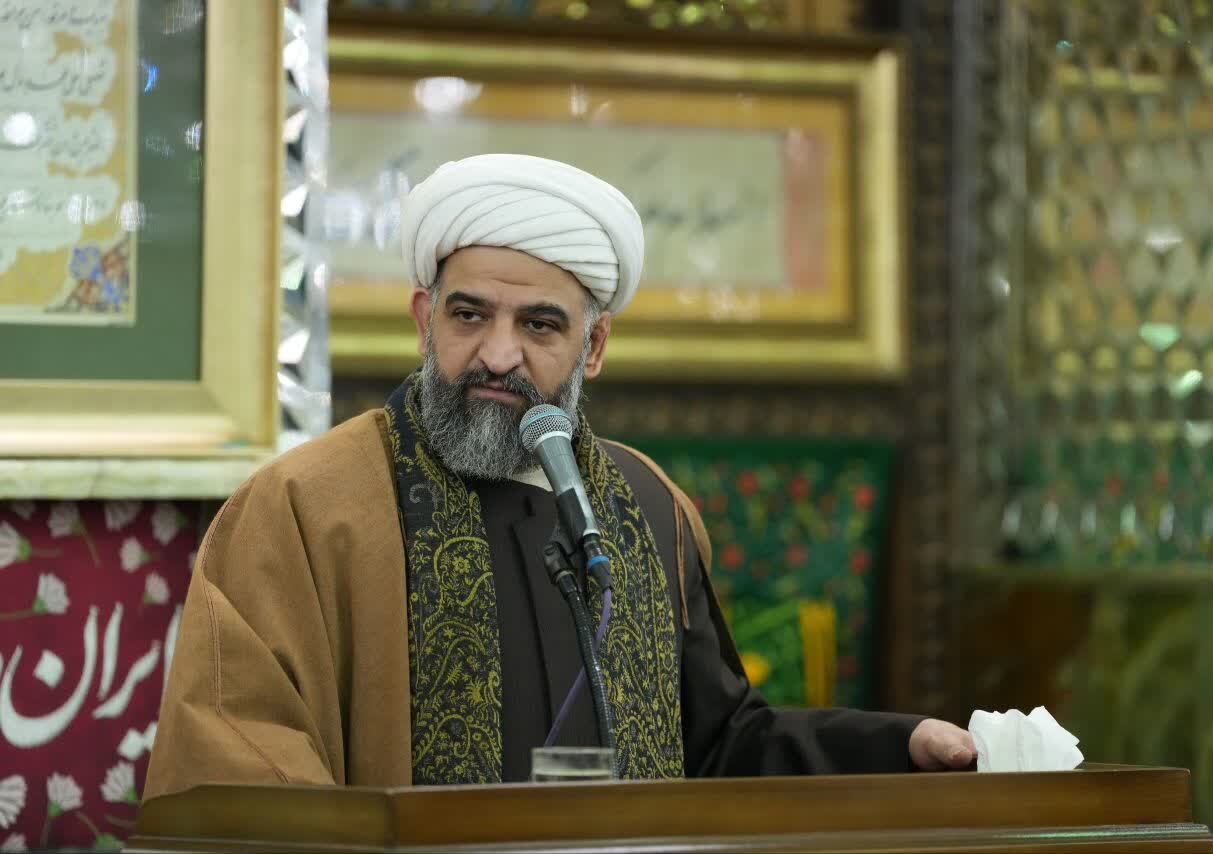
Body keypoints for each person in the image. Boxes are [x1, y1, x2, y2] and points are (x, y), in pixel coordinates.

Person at [144, 154, 974, 798]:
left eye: (540, 325)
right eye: (470, 314)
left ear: (594, 346)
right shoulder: (307, 505)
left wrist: (895, 746)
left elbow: (719, 747)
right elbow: (239, 750)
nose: (499, 353)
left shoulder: (648, 509)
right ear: (425, 321)